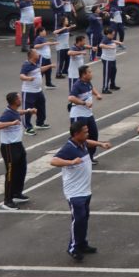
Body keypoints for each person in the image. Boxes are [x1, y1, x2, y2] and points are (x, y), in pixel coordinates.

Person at [50, 120, 111, 261]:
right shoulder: (69, 148)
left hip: (85, 191)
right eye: (85, 132)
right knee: (78, 219)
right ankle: (73, 248)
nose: (87, 133)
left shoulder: (81, 142)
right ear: (76, 134)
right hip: (75, 193)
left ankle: (82, 243)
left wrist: (100, 144)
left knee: (84, 219)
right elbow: (54, 161)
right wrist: (70, 162)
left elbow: (88, 142)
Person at [0, 92, 34, 210]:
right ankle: (7, 200)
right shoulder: (7, 114)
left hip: (18, 145)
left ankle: (17, 193)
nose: (21, 99)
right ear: (15, 101)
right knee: (11, 173)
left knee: (21, 169)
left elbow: (18, 113)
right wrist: (11, 123)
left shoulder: (14, 111)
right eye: (19, 98)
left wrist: (28, 111)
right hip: (9, 147)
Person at [69, 66, 103, 162]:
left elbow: (91, 88)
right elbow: (71, 98)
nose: (91, 73)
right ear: (84, 74)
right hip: (78, 115)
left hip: (88, 114)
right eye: (89, 72)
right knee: (78, 138)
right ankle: (75, 158)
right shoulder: (77, 85)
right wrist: (84, 103)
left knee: (93, 135)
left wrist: (97, 94)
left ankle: (89, 157)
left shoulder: (87, 82)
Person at [20, 49, 52, 135]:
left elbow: (39, 70)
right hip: (29, 91)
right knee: (28, 109)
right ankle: (28, 128)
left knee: (41, 106)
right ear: (32, 56)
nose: (38, 54)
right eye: (36, 53)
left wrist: (49, 66)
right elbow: (21, 75)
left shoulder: (36, 63)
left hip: (38, 90)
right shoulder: (26, 65)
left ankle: (40, 123)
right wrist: (28, 78)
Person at [98, 27, 124, 93]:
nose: (113, 36)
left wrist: (118, 42)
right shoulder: (105, 38)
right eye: (112, 34)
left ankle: (112, 85)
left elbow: (111, 41)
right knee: (107, 73)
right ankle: (104, 89)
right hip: (107, 59)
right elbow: (101, 45)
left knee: (113, 71)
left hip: (112, 59)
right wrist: (110, 47)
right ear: (108, 34)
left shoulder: (109, 38)